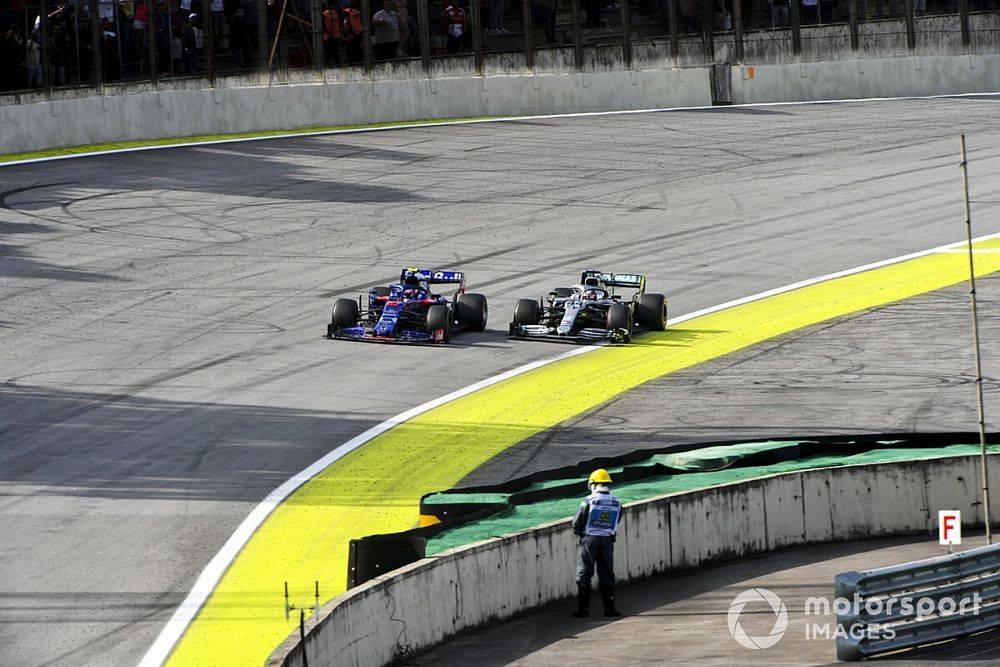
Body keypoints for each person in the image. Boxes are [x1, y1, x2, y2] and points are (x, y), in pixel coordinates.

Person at [571, 468, 623, 618]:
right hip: (607, 539)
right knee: (607, 572)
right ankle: (610, 609)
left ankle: (583, 609)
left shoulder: (588, 501)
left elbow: (577, 522)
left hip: (589, 539)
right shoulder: (617, 502)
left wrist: (580, 533)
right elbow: (616, 519)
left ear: (593, 484)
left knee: (584, 573)